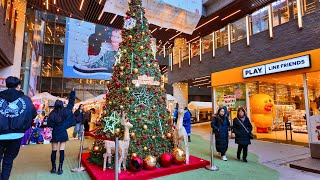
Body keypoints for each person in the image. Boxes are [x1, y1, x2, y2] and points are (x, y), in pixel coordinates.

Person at [0, 76, 37, 180]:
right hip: (17, 135)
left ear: (6, 85)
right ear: (19, 86)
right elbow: (33, 114)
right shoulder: (26, 99)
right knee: (8, 160)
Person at [47, 90, 76, 175]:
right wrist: (72, 93)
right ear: (62, 105)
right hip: (63, 132)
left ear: (55, 105)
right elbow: (71, 103)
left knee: (54, 151)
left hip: (55, 133)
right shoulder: (66, 111)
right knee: (62, 150)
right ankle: (60, 168)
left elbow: (49, 124)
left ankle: (53, 168)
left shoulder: (52, 114)